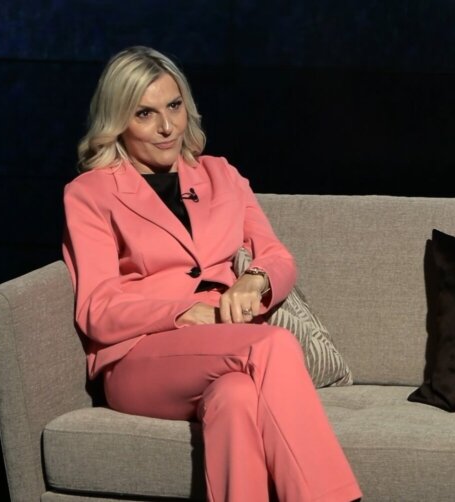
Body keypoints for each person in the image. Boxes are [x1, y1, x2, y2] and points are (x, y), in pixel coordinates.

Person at [61, 46, 362, 502]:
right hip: (139, 358)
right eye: (145, 113)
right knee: (272, 344)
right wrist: (183, 312)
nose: (167, 127)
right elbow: (98, 310)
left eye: (174, 106)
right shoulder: (90, 193)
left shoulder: (221, 175)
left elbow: (277, 256)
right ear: (118, 121)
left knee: (236, 397)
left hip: (220, 346)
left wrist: (254, 278)